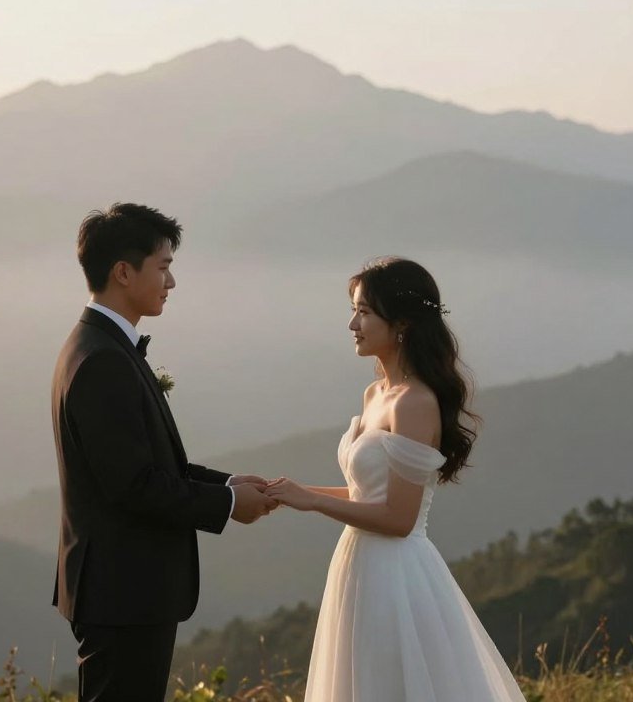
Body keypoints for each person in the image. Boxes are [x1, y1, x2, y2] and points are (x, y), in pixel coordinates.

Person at [266, 257, 527, 701]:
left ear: (401, 323)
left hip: (395, 575)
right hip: (358, 563)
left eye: (364, 312)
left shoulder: (414, 403)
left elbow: (398, 518)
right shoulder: (375, 394)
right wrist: (295, 493)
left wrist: (311, 502)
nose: (352, 323)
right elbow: (366, 494)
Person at [51, 202, 277, 702]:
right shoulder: (102, 361)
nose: (171, 283)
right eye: (164, 267)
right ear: (124, 272)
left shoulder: (105, 346)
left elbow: (150, 465)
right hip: (122, 593)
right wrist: (231, 507)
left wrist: (228, 484)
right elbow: (133, 486)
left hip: (126, 591)